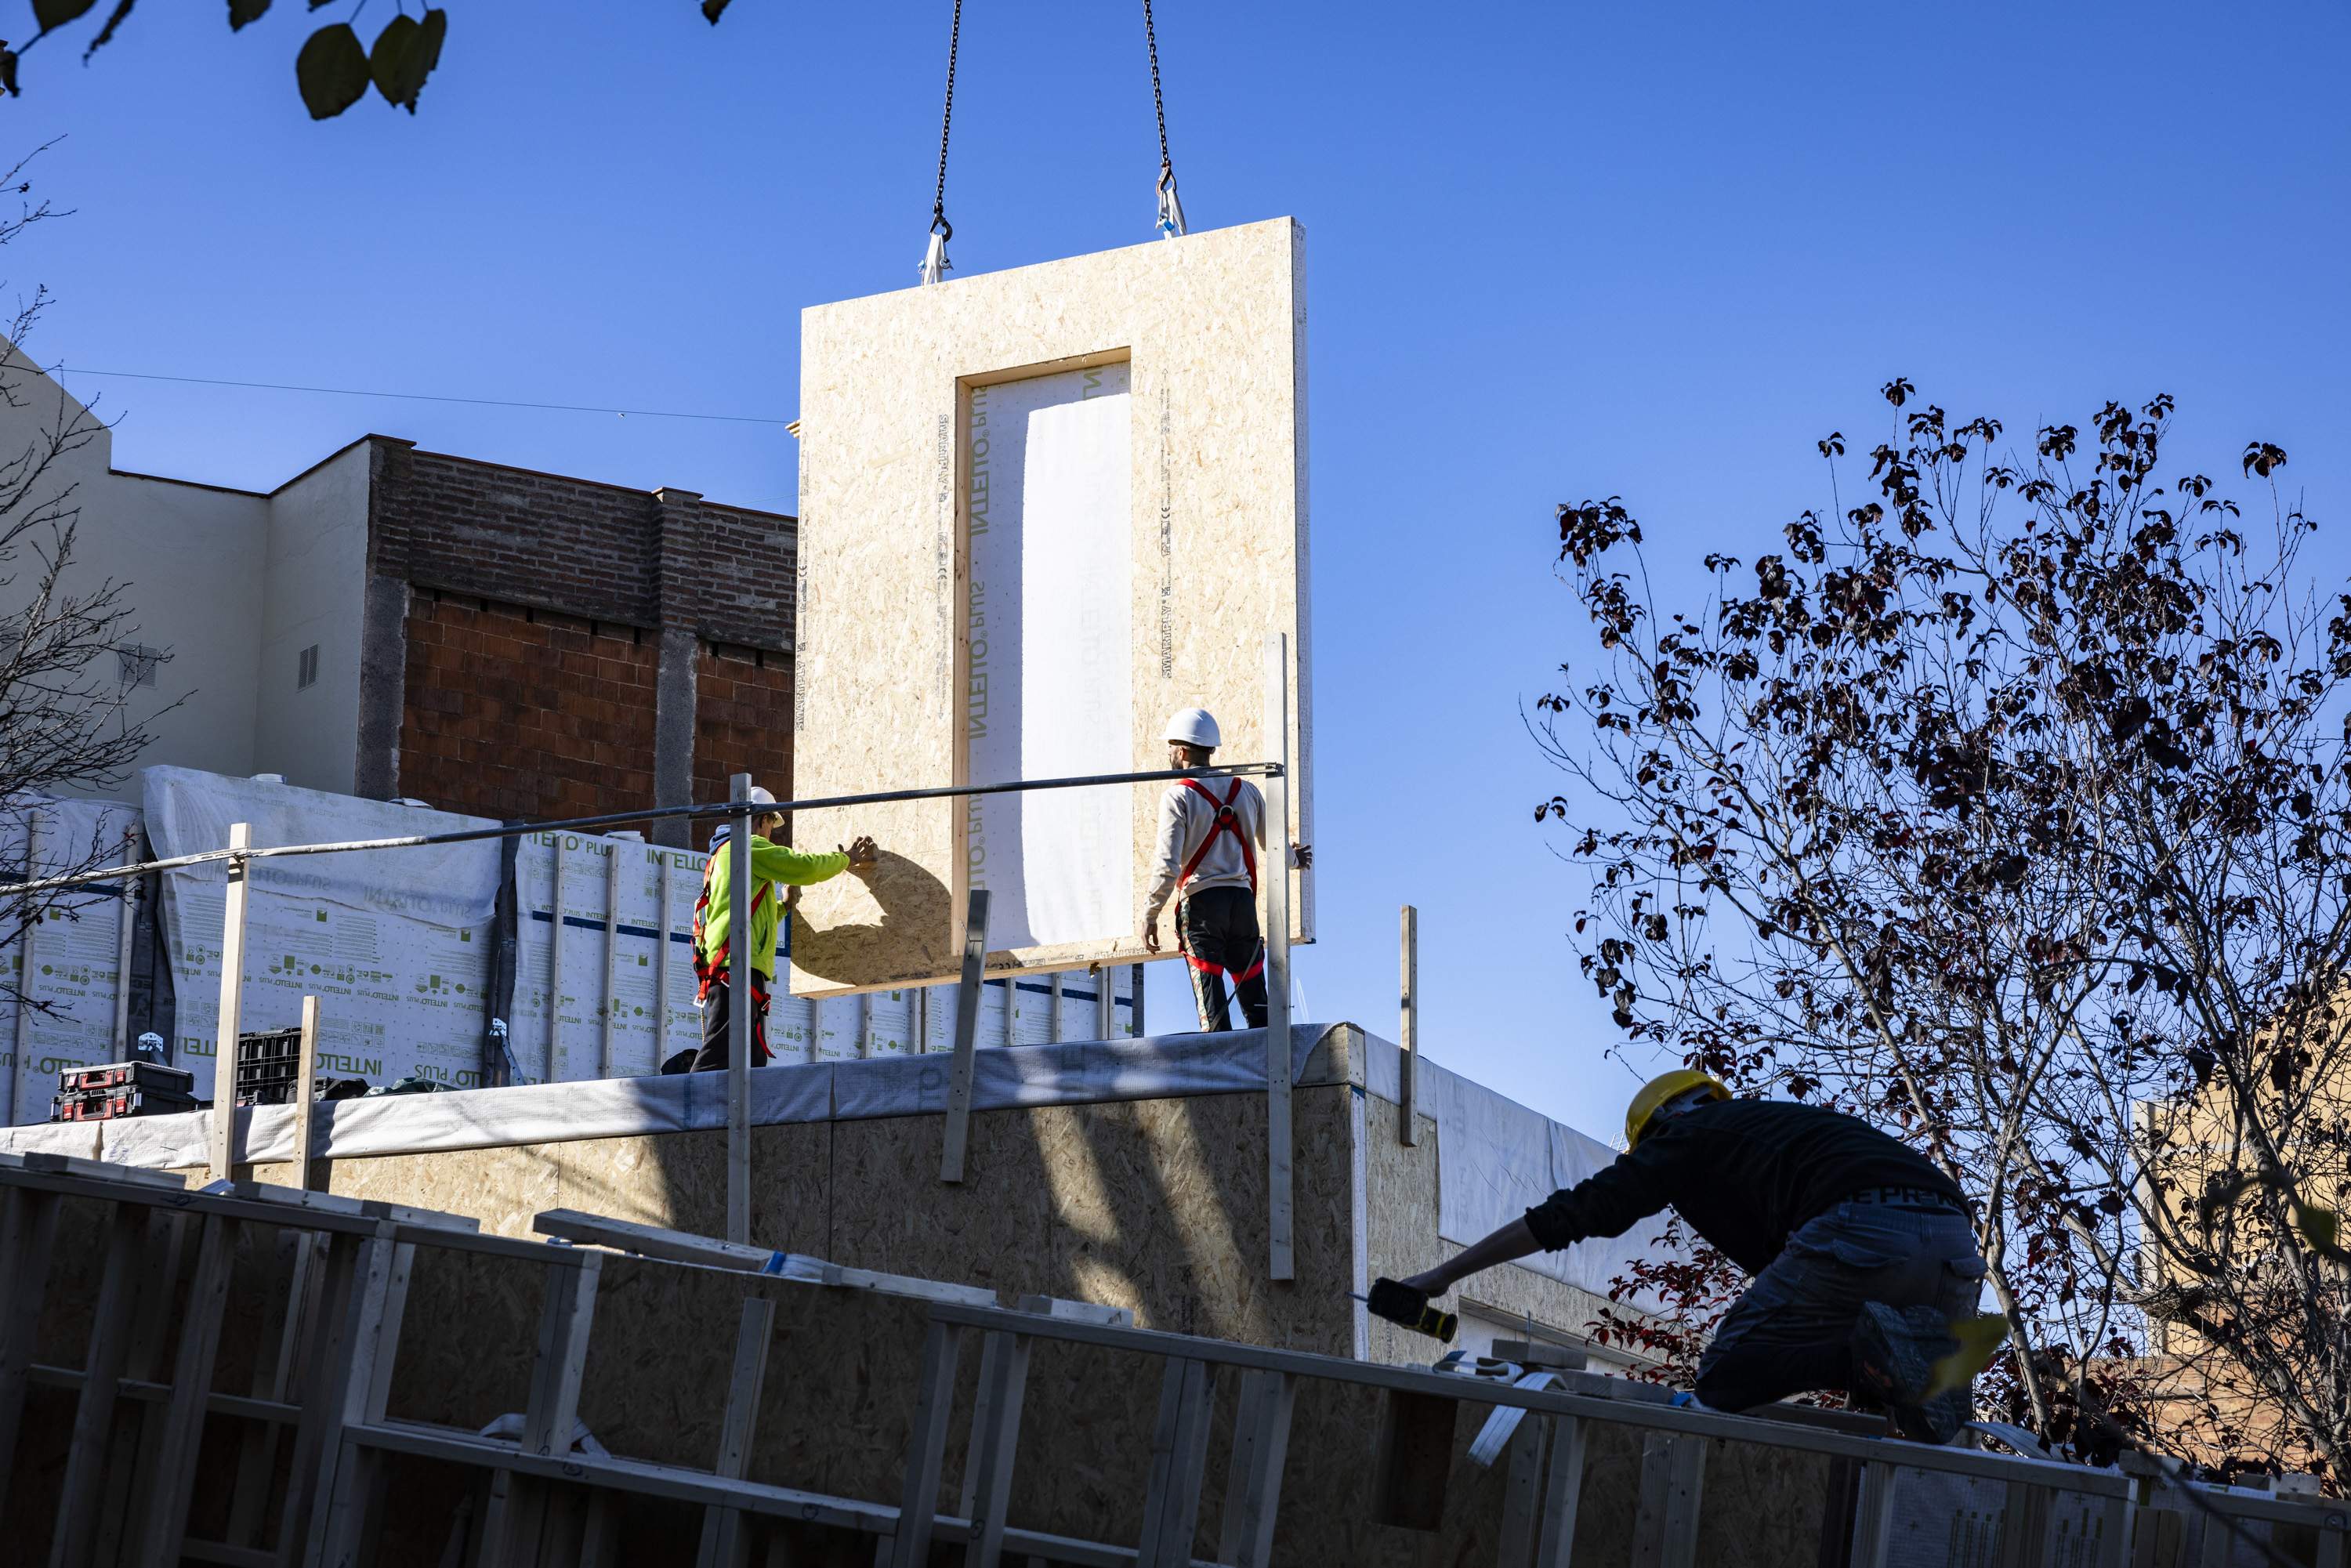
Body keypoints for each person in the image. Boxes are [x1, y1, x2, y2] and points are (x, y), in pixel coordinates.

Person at [1394, 1070, 1994, 1443]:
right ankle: (1895, 1376)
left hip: (1863, 1226)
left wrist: (1444, 1273)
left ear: (1657, 1128)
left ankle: (1870, 1360)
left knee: (1725, 1373)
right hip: (1957, 1246)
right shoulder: (1775, 1138)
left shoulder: (1687, 1136)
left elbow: (1572, 1214)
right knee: (1905, 1421)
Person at [1141, 708, 1310, 1032]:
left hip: (1203, 908)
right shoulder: (1247, 792)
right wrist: (1295, 860)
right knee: (1259, 1010)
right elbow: (1274, 845)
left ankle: (1222, 1060)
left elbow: (1167, 864)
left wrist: (1150, 915)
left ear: (1182, 751)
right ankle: (1271, 1061)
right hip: (1242, 907)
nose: (1170, 755)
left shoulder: (1178, 796)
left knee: (1214, 1014)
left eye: (1171, 749)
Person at [690, 784, 877, 1071]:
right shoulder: (748, 847)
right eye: (771, 826)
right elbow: (804, 867)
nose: (770, 834)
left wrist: (783, 907)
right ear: (762, 820)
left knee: (752, 1059)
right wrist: (847, 858)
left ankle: (722, 1101)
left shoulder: (724, 855)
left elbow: (743, 915)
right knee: (717, 1057)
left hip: (734, 968)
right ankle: (685, 1098)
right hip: (735, 969)